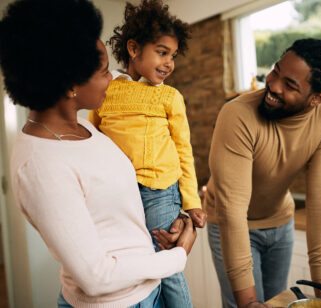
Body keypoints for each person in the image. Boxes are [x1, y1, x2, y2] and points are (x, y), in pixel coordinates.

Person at [0, 0, 196, 307]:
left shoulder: (86, 129)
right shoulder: (39, 164)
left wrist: (172, 218)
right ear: (69, 86)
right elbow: (96, 277)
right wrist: (178, 255)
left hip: (148, 292)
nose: (113, 79)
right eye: (105, 71)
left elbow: (124, 202)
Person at [203, 38, 321, 308]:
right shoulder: (237, 115)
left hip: (280, 222)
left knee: (279, 303)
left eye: (290, 85)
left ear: (317, 99)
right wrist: (248, 303)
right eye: (275, 71)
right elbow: (232, 209)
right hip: (232, 222)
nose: (272, 84)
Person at [88, 1, 206, 307]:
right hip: (119, 193)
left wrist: (191, 203)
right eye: (162, 52)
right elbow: (92, 140)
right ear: (133, 48)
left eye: (173, 56)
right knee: (136, 267)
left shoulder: (169, 96)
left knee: (166, 265)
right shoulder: (106, 90)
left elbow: (183, 150)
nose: (169, 63)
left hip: (159, 191)